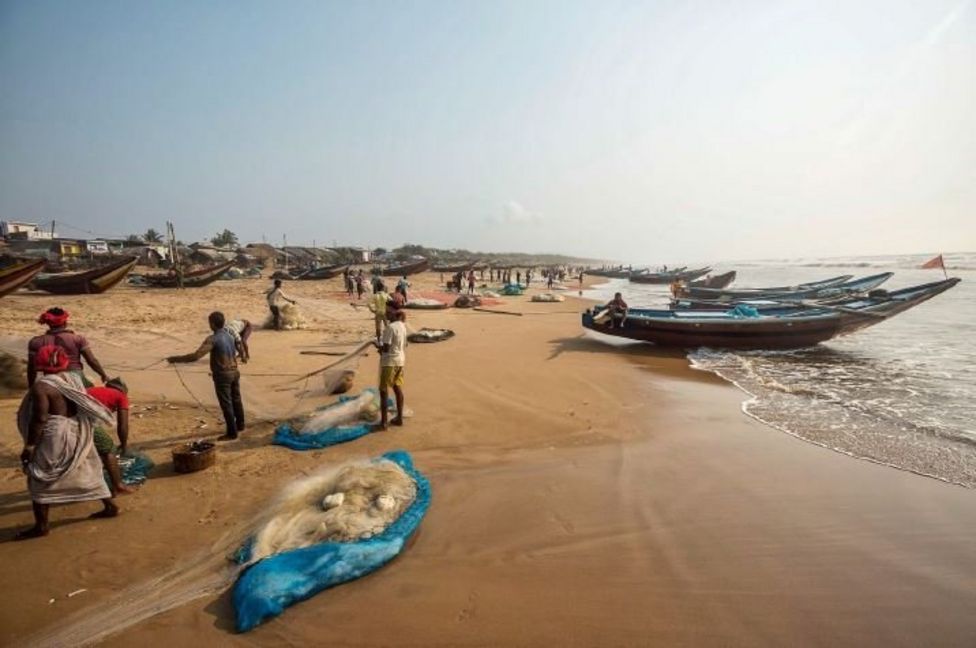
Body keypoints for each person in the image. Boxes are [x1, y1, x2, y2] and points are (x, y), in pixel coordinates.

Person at [16, 344, 118, 539]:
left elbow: (40, 418)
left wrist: (29, 446)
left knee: (41, 475)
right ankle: (110, 505)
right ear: (64, 361)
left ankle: (41, 526)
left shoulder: (42, 386)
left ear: (40, 365)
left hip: (55, 435)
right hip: (79, 430)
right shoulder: (73, 379)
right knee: (88, 467)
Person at [167, 312, 246, 441]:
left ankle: (232, 433)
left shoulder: (213, 339)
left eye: (210, 323)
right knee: (236, 399)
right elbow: (239, 346)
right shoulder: (229, 335)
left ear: (212, 324)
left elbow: (196, 356)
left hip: (223, 376)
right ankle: (241, 425)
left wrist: (175, 359)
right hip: (235, 372)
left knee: (226, 404)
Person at [28, 307, 109, 387]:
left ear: (48, 323)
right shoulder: (77, 339)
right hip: (75, 377)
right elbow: (91, 360)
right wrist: (103, 375)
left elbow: (31, 367)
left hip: (50, 379)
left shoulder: (36, 342)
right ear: (65, 322)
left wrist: (31, 386)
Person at [87, 377, 137, 496]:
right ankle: (118, 485)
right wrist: (124, 445)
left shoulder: (96, 390)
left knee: (95, 451)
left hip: (65, 416)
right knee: (109, 448)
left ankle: (105, 487)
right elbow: (123, 425)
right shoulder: (121, 396)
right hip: (83, 420)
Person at [376, 309, 407, 429]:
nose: (386, 314)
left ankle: (383, 423)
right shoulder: (402, 326)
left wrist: (379, 348)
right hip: (400, 361)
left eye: (389, 312)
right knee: (397, 387)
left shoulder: (390, 327)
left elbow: (387, 348)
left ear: (395, 314)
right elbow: (404, 344)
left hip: (389, 362)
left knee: (383, 391)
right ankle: (399, 418)